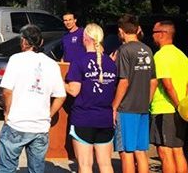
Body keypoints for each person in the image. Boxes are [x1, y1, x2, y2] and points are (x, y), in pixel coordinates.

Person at [0, 25, 66, 173]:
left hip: (17, 123)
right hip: (40, 126)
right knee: (36, 169)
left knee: (6, 168)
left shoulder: (16, 59)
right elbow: (60, 95)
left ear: (23, 41)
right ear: (41, 42)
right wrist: (49, 114)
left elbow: (7, 91)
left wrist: (7, 112)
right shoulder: (52, 65)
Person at [64, 23, 117, 173]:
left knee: (85, 165)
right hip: (105, 118)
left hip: (84, 117)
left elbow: (73, 91)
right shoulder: (110, 63)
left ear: (85, 37)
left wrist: (60, 83)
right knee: (106, 165)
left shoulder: (79, 61)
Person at [111, 14, 156, 173]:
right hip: (142, 108)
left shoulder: (123, 50)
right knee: (140, 151)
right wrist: (147, 101)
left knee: (126, 152)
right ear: (137, 29)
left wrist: (114, 106)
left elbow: (124, 81)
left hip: (126, 108)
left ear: (121, 31)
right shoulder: (148, 49)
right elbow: (153, 81)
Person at [150, 20, 188, 173]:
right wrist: (183, 106)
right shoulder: (182, 55)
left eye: (154, 32)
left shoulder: (160, 56)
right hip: (181, 109)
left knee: (165, 152)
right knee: (178, 150)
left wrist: (177, 105)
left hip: (164, 108)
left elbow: (167, 84)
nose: (152, 36)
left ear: (162, 34)